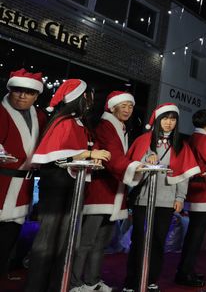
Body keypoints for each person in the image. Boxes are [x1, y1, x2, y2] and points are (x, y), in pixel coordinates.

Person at [26, 79, 112, 292]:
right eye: (88, 96)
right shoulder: (64, 122)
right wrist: (90, 154)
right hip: (57, 187)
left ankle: (56, 285)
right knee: (48, 239)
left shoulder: (78, 123)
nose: (91, 101)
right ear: (81, 98)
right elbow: (56, 154)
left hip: (72, 186)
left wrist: (90, 157)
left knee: (65, 240)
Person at [71, 91, 143, 292]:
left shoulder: (120, 127)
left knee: (101, 241)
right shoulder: (106, 126)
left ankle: (92, 281)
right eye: (124, 105)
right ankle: (74, 283)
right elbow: (113, 155)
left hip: (113, 191)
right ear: (112, 107)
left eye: (130, 106)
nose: (128, 109)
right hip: (100, 190)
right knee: (87, 240)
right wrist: (134, 167)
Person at [123, 103, 200, 292]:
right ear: (158, 120)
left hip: (167, 200)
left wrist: (180, 198)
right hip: (143, 198)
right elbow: (130, 166)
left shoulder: (180, 145)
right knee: (139, 239)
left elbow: (183, 174)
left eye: (173, 119)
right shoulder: (143, 141)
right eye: (165, 118)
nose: (168, 123)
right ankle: (132, 281)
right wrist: (145, 160)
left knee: (158, 240)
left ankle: (151, 279)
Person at [0, 69, 47, 275]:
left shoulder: (41, 117)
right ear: (10, 90)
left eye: (28, 92)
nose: (22, 96)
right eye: (18, 90)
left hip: (22, 188)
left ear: (36, 95)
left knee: (7, 243)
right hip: (1, 183)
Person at [175, 109, 206, 287]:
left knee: (192, 235)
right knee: (196, 235)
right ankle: (186, 272)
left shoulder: (192, 138)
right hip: (202, 192)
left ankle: (185, 270)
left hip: (191, 189)